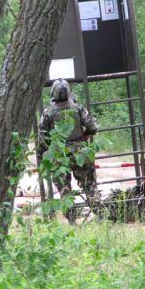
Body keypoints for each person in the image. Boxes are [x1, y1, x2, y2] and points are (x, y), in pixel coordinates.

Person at [37, 79, 100, 222]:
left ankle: (72, 220)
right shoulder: (78, 109)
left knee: (65, 191)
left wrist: (43, 158)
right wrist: (84, 136)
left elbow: (43, 139)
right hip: (81, 153)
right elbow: (93, 127)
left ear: (53, 93)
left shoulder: (48, 113)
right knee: (90, 186)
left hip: (59, 155)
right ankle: (101, 215)